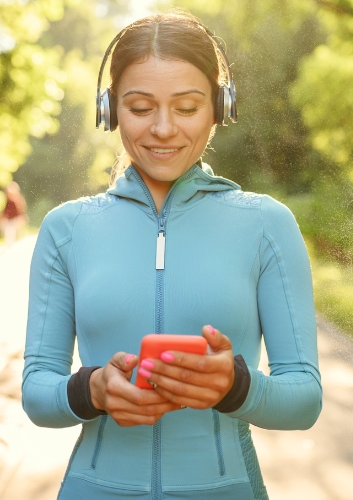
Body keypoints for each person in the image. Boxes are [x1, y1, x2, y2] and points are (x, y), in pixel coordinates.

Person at [22, 11, 321, 500]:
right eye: (140, 108)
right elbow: (37, 391)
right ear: (110, 109)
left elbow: (304, 399)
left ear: (219, 107)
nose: (163, 129)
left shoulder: (267, 224)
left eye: (186, 107)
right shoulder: (66, 229)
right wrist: (91, 390)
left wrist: (237, 386)